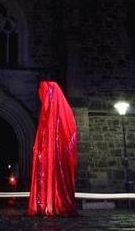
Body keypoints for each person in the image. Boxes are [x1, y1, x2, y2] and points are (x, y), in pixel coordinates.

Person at [28, 81, 78, 216]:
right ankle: (45, 203)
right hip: (46, 156)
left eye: (46, 96)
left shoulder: (63, 113)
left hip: (58, 158)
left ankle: (57, 202)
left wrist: (55, 148)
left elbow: (67, 134)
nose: (44, 100)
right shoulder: (45, 115)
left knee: (57, 178)